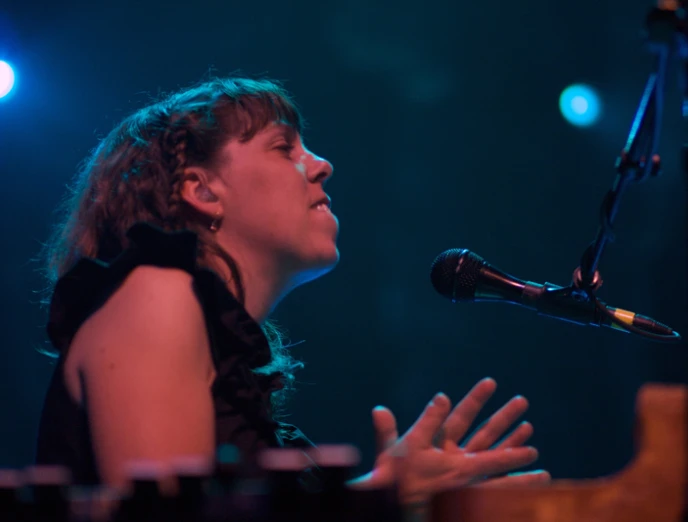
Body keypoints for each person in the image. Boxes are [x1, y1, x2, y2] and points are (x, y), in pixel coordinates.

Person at [34, 76, 550, 508]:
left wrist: (383, 499)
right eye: (284, 148)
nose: (322, 164)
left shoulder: (184, 317)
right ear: (202, 190)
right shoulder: (155, 296)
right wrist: (376, 499)